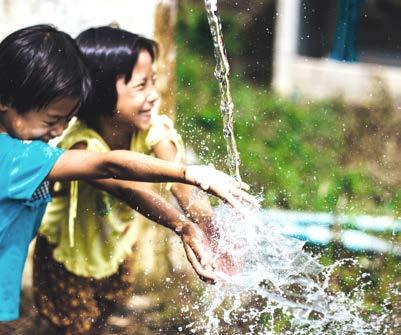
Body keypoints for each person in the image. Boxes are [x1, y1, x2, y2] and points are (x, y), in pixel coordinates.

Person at [0, 24, 254, 324]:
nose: (58, 131)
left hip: (108, 252)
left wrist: (205, 230)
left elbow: (181, 190)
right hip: (66, 257)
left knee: (98, 319)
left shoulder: (147, 130)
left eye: (65, 120)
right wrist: (189, 174)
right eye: (53, 120)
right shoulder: (28, 155)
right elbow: (114, 172)